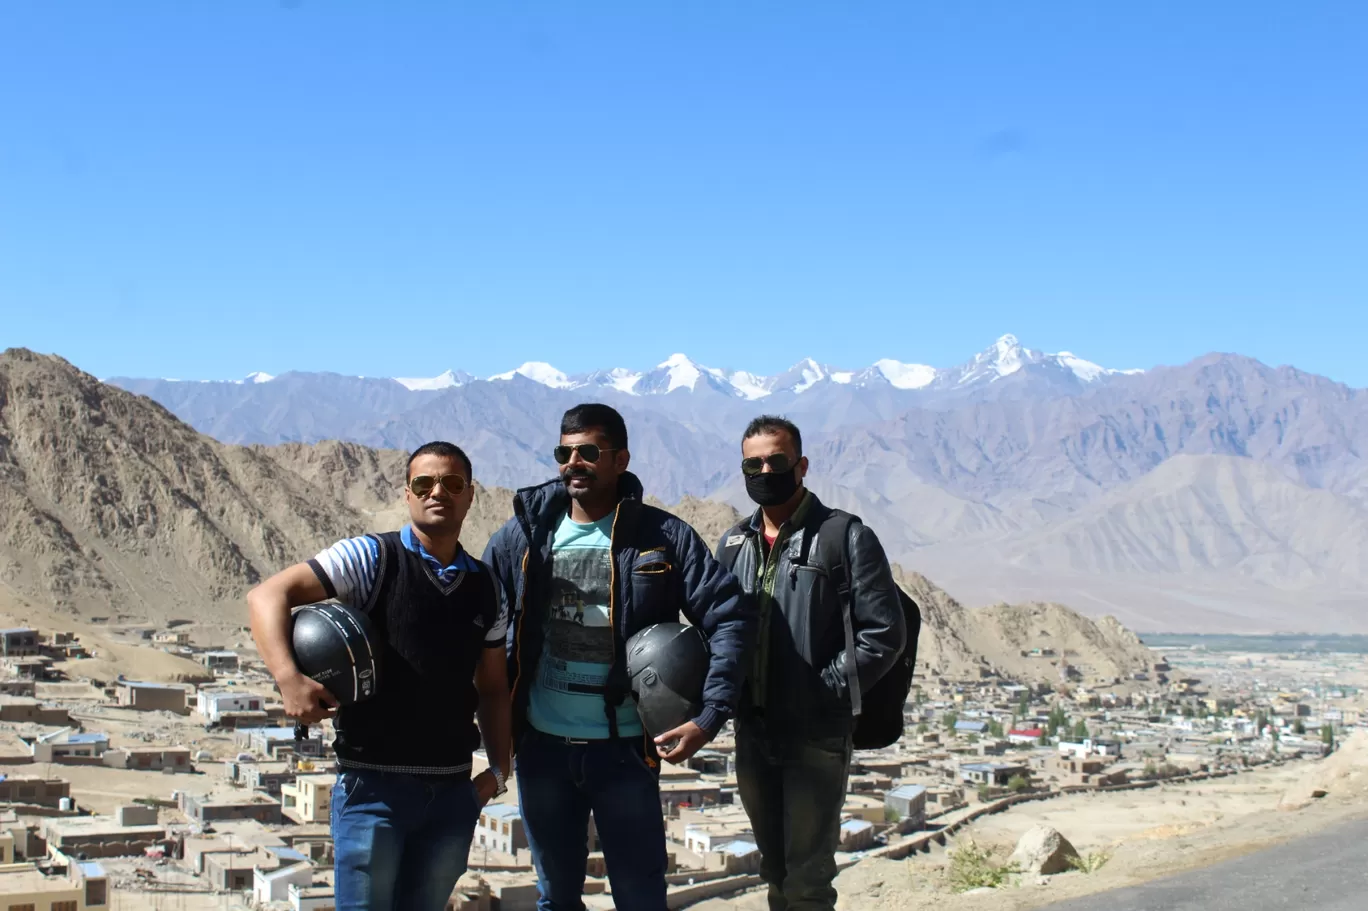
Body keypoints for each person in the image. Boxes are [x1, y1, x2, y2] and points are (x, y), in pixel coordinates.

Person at [482, 403, 756, 911]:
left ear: (620, 459)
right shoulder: (524, 536)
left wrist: (710, 715)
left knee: (640, 895)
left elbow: (729, 619)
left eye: (588, 451)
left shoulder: (662, 537)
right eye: (564, 453)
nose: (573, 463)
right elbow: (478, 618)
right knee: (555, 897)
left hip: (625, 750)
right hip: (543, 749)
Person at [247, 441, 512, 911]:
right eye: (424, 483)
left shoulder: (487, 587)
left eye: (452, 484)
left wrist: (498, 771)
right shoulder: (371, 560)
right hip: (373, 791)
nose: (438, 493)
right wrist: (288, 678)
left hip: (452, 796)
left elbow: (492, 687)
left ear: (470, 495)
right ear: (406, 494)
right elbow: (268, 596)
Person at [718, 416, 905, 911]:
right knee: (774, 870)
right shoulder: (733, 545)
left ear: (801, 466)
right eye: (752, 463)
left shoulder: (843, 537)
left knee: (807, 880)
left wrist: (824, 689)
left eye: (775, 461)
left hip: (815, 736)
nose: (764, 470)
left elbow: (884, 632)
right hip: (753, 735)